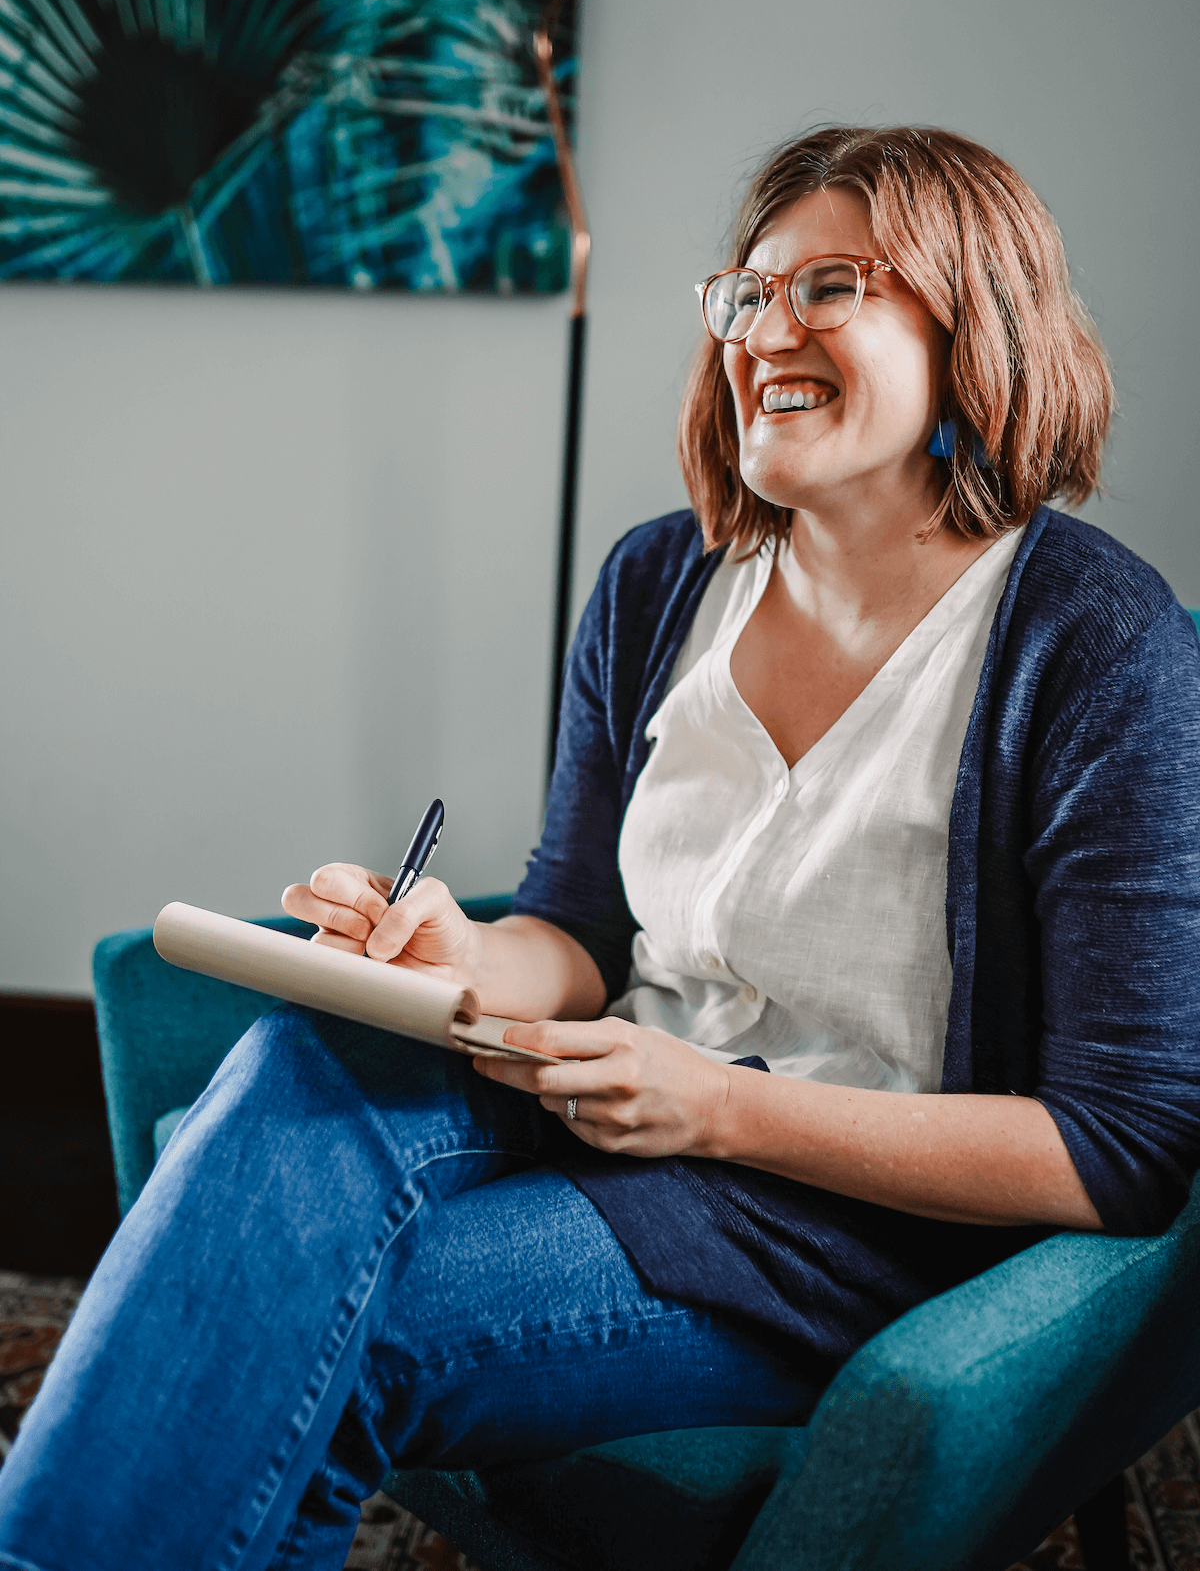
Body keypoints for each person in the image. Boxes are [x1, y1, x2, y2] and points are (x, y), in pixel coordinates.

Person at [2, 125, 1198, 1571]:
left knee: (298, 1329)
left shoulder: (1099, 646)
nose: (767, 331)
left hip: (828, 1226)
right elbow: (575, 930)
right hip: (606, 1105)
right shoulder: (658, 583)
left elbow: (1119, 1149)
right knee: (298, 1058)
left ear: (976, 317)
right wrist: (464, 955)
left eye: (831, 286)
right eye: (744, 296)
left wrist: (722, 1110)